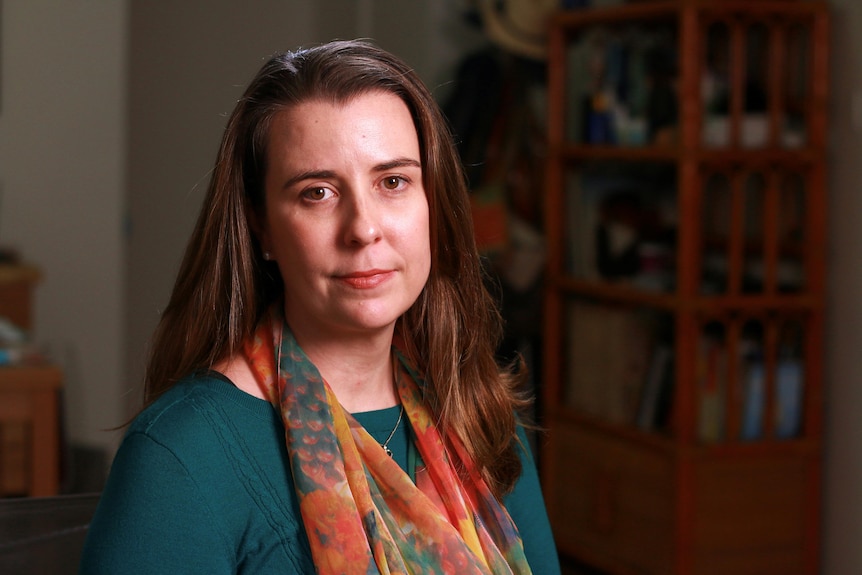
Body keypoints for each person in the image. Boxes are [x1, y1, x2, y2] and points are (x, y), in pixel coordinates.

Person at [79, 39, 560, 575]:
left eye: (393, 182)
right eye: (318, 193)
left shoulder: (479, 412)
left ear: (434, 205)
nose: (364, 229)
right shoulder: (181, 457)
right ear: (261, 227)